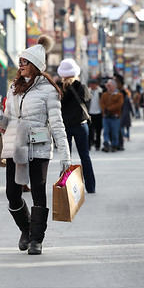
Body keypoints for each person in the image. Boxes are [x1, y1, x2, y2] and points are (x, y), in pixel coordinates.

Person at [0, 35, 71, 255]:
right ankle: (26, 229)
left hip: (39, 147)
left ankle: (36, 240)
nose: (21, 66)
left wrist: (66, 156)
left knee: (38, 191)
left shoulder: (49, 90)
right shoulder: (14, 87)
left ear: (35, 65)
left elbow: (57, 125)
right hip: (16, 146)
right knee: (12, 194)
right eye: (20, 62)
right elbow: (7, 121)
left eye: (25, 62)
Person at [57, 58, 96, 193]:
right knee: (85, 156)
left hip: (64, 127)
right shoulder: (82, 88)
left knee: (65, 157)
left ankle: (65, 187)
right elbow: (88, 102)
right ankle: (90, 187)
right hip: (80, 125)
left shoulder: (58, 89)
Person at [100, 79, 124, 152]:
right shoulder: (104, 94)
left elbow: (119, 105)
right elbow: (101, 103)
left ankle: (114, 145)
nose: (108, 87)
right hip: (106, 116)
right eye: (107, 86)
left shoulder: (119, 95)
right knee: (106, 131)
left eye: (109, 85)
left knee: (114, 132)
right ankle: (106, 143)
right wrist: (105, 110)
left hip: (115, 117)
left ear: (114, 86)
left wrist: (109, 109)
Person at [87, 79, 104, 151]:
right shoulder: (88, 91)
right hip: (90, 114)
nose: (91, 85)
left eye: (92, 84)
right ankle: (89, 145)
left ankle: (98, 145)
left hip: (99, 113)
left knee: (98, 131)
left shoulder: (101, 91)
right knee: (90, 131)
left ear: (95, 84)